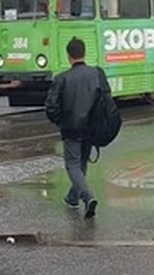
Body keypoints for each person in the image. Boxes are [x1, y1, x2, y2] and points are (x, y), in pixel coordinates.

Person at [44, 37, 111, 219]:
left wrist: (61, 120)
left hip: (71, 128)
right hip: (91, 127)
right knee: (81, 163)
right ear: (84, 53)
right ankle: (72, 197)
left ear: (69, 56)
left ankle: (87, 197)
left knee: (72, 165)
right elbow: (106, 99)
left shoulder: (61, 79)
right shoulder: (96, 73)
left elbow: (51, 107)